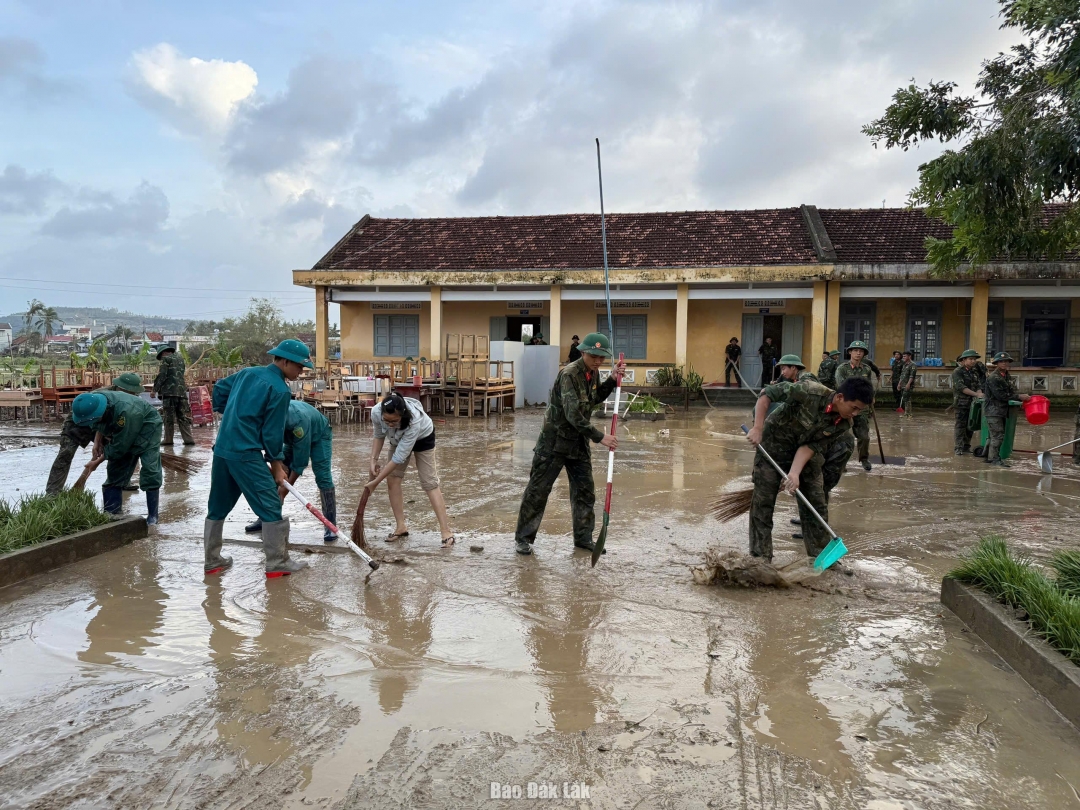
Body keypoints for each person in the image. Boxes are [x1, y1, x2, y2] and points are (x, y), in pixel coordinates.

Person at [203, 338, 312, 578]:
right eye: (299, 366)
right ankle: (277, 562)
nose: (301, 371)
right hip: (246, 453)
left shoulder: (247, 373)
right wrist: (276, 463)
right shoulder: (280, 390)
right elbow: (272, 433)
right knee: (270, 506)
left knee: (218, 505)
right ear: (284, 361)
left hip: (223, 448)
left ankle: (212, 561)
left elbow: (220, 389)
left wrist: (232, 412)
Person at [513, 332, 625, 556]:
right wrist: (600, 437)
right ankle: (523, 539)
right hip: (553, 443)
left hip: (577, 444)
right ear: (583, 351)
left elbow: (594, 399)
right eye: (593, 356)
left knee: (585, 492)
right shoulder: (569, 374)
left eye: (602, 358)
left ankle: (583, 538)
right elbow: (573, 413)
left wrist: (612, 379)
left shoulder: (591, 374)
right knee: (538, 491)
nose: (597, 361)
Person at [745, 376, 874, 561]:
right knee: (763, 502)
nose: (854, 413)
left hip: (805, 453)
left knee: (816, 501)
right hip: (773, 447)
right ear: (839, 397)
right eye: (853, 408)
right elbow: (767, 394)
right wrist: (757, 427)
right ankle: (760, 557)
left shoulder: (844, 423)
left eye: (859, 411)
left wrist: (794, 473)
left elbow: (812, 446)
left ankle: (821, 558)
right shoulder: (808, 391)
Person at [364, 392, 455, 547]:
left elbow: (398, 458)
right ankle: (401, 526)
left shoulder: (414, 421)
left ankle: (446, 531)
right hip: (397, 439)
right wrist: (373, 460)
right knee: (393, 479)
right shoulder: (376, 412)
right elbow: (379, 435)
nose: (390, 424)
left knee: (429, 483)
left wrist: (376, 482)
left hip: (423, 438)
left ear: (403, 415)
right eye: (387, 421)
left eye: (394, 421)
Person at [245, 400, 338, 541]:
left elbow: (300, 463)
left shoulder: (298, 422)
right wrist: (279, 464)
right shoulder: (266, 418)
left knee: (323, 476)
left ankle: (330, 526)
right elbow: (270, 448)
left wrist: (285, 490)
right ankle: (266, 518)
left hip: (319, 435)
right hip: (291, 438)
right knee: (277, 473)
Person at [70, 388, 162, 524]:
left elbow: (121, 446)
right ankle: (112, 513)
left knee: (150, 469)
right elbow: (99, 423)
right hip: (125, 428)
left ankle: (153, 517)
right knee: (115, 469)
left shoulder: (125, 412)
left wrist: (97, 461)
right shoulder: (93, 400)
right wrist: (97, 442)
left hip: (147, 426)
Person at [46, 373, 144, 496]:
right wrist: (97, 442)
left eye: (133, 393)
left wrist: (102, 441)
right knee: (66, 454)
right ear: (120, 387)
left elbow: (108, 424)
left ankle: (121, 481)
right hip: (79, 422)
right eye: (129, 392)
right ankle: (52, 493)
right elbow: (97, 419)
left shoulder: (127, 400)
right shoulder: (102, 395)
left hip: (101, 424)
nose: (131, 396)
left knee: (121, 449)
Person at [834, 340, 876, 471]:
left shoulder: (866, 369)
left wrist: (871, 397)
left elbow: (869, 386)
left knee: (864, 436)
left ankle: (864, 459)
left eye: (861, 351)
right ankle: (842, 462)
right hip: (845, 407)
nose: (858, 353)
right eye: (856, 351)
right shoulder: (842, 368)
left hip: (861, 408)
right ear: (850, 352)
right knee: (844, 436)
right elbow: (841, 386)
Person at [983, 351, 1030, 467]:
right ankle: (994, 459)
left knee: (995, 435)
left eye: (1006, 361)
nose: (1004, 363)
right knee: (997, 435)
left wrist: (1021, 396)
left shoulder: (1006, 375)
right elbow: (1001, 396)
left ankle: (990, 458)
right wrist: (1019, 397)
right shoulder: (994, 377)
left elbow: (1010, 391)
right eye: (1001, 361)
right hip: (993, 411)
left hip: (1001, 411)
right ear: (997, 363)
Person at [153, 346, 194, 446]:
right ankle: (188, 439)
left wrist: (154, 390)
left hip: (169, 393)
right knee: (182, 416)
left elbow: (162, 376)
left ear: (163, 354)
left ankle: (168, 439)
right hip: (181, 392)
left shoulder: (166, 359)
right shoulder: (180, 359)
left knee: (169, 416)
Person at [951, 350, 984, 455]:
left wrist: (979, 393)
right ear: (963, 360)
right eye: (970, 359)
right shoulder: (958, 371)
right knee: (960, 426)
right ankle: (958, 448)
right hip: (961, 403)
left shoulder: (974, 372)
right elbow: (961, 387)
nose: (973, 361)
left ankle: (966, 446)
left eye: (974, 359)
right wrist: (976, 394)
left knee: (971, 426)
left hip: (973, 404)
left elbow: (979, 385)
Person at [898, 350, 918, 415]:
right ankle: (907, 413)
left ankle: (908, 413)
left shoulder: (913, 365)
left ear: (909, 356)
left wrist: (908, 384)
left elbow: (912, 376)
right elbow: (902, 375)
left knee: (907, 398)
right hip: (903, 384)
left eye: (905, 356)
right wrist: (899, 383)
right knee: (904, 398)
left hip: (908, 384)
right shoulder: (904, 365)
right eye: (903, 356)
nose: (903, 358)